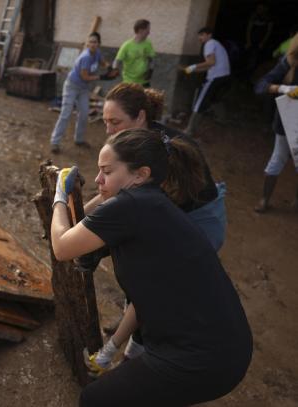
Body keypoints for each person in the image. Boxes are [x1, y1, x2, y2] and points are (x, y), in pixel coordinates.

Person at [51, 129, 252, 406]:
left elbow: (62, 246)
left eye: (106, 172)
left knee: (94, 399)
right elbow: (145, 295)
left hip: (200, 356)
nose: (98, 179)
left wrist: (58, 197)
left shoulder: (131, 206)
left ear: (140, 174)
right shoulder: (153, 204)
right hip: (222, 348)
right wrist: (112, 348)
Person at [83, 82, 227, 370]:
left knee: (157, 286)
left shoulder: (162, 151)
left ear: (139, 117)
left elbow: (134, 212)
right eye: (105, 122)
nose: (109, 129)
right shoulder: (133, 146)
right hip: (170, 210)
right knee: (138, 276)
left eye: (116, 122)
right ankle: (132, 325)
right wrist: (81, 214)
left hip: (199, 219)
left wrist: (88, 229)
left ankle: (142, 353)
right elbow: (112, 194)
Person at [254, 33, 298, 213]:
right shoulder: (289, 62)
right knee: (278, 158)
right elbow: (260, 85)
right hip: (287, 120)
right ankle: (264, 200)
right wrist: (283, 88)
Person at [50, 32, 104, 154]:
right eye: (90, 42)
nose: (92, 44)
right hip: (72, 86)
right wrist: (102, 76)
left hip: (84, 89)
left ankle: (79, 140)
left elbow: (102, 61)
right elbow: (85, 77)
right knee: (66, 113)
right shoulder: (85, 57)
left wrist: (109, 66)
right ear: (87, 43)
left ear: (99, 44)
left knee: (84, 113)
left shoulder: (97, 53)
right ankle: (55, 142)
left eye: (95, 42)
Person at [182, 27, 231, 137]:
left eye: (202, 35)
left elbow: (211, 62)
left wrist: (194, 65)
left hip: (216, 77)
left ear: (209, 35)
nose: (200, 38)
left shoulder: (209, 43)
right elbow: (209, 66)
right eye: (199, 35)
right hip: (224, 77)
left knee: (200, 102)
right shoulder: (216, 44)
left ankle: (189, 130)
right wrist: (193, 70)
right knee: (214, 98)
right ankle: (222, 119)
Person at [112, 19, 156, 87]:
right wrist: (115, 69)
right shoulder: (127, 45)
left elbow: (152, 59)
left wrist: (150, 71)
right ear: (140, 30)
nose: (149, 32)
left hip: (144, 81)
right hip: (129, 82)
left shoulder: (148, 44)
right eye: (147, 29)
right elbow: (117, 61)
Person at [244, 2, 274, 77]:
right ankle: (246, 73)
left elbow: (269, 31)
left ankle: (252, 74)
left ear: (265, 9)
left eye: (260, 8)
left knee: (256, 57)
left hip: (261, 41)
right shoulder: (254, 15)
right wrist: (248, 41)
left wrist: (263, 42)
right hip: (252, 39)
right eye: (258, 8)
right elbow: (248, 29)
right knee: (248, 55)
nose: (259, 10)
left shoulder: (268, 17)